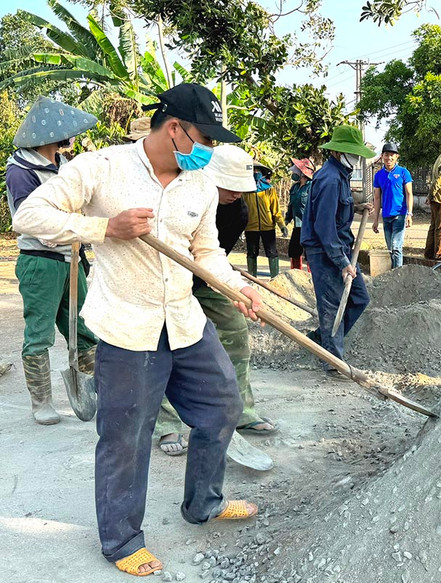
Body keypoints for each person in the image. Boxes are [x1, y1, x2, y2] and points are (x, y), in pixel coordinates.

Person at [12, 82, 265, 576]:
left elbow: (207, 252)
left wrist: (236, 286)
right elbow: (29, 215)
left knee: (223, 408)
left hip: (185, 322)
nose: (209, 149)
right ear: (175, 129)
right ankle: (122, 539)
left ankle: (204, 503)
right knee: (125, 436)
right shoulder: (102, 168)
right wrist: (104, 228)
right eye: (205, 138)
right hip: (127, 326)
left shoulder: (200, 185)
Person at [155, 144, 277, 456]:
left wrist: (233, 285)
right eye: (230, 186)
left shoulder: (238, 211)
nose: (237, 193)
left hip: (205, 277)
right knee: (165, 344)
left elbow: (212, 255)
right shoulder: (178, 198)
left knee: (235, 327)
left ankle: (241, 410)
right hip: (166, 280)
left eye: (241, 188)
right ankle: (166, 423)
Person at [6, 96, 99, 425]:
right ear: (51, 137)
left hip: (71, 257)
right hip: (41, 260)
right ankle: (41, 402)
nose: (70, 138)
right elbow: (29, 219)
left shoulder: (63, 166)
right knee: (40, 333)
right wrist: (68, 228)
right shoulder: (21, 170)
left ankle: (96, 391)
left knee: (84, 329)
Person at [301, 125, 375, 372]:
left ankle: (321, 340)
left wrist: (357, 207)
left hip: (339, 246)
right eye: (352, 153)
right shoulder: (330, 179)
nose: (356, 158)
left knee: (359, 298)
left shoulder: (341, 174)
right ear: (337, 151)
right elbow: (324, 226)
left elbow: (336, 210)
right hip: (325, 250)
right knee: (332, 306)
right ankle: (333, 362)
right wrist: (341, 262)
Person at [372, 142, 413, 269]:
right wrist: (375, 220)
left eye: (392, 155)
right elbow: (377, 198)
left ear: (396, 157)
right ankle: (393, 273)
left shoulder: (403, 172)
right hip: (386, 216)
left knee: (396, 247)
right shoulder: (378, 175)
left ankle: (398, 273)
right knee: (390, 248)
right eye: (386, 155)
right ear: (382, 156)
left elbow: (409, 194)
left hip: (400, 215)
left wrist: (409, 214)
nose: (389, 158)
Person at [244, 161, 287, 278]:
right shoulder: (245, 191)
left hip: (268, 226)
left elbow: (276, 210)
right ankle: (252, 278)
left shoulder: (269, 189)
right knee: (252, 253)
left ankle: (275, 278)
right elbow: (241, 210)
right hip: (250, 227)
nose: (255, 173)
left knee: (272, 252)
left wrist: (282, 225)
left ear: (262, 173)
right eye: (253, 171)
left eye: (257, 171)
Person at [286, 157, 315, 271]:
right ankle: (296, 274)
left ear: (303, 173)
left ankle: (312, 276)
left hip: (309, 226)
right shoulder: (295, 188)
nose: (294, 172)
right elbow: (291, 205)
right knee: (294, 251)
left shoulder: (311, 187)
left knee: (310, 253)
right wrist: (287, 219)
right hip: (297, 225)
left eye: (296, 170)